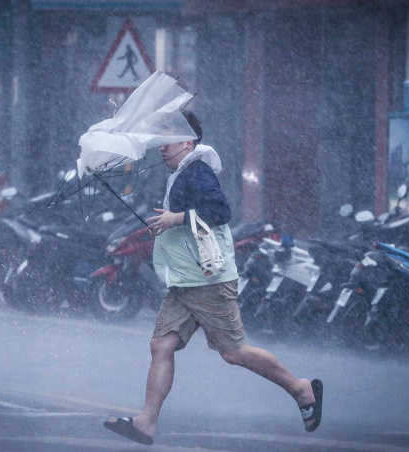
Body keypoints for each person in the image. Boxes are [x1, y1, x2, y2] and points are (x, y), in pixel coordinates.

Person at [103, 112, 323, 445]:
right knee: (161, 345)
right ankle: (145, 424)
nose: (162, 149)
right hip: (186, 280)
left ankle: (300, 388)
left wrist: (177, 217)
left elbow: (220, 211)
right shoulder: (182, 173)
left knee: (234, 352)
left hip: (207, 280)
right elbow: (191, 224)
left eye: (169, 142)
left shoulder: (197, 170)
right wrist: (166, 226)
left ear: (188, 142)